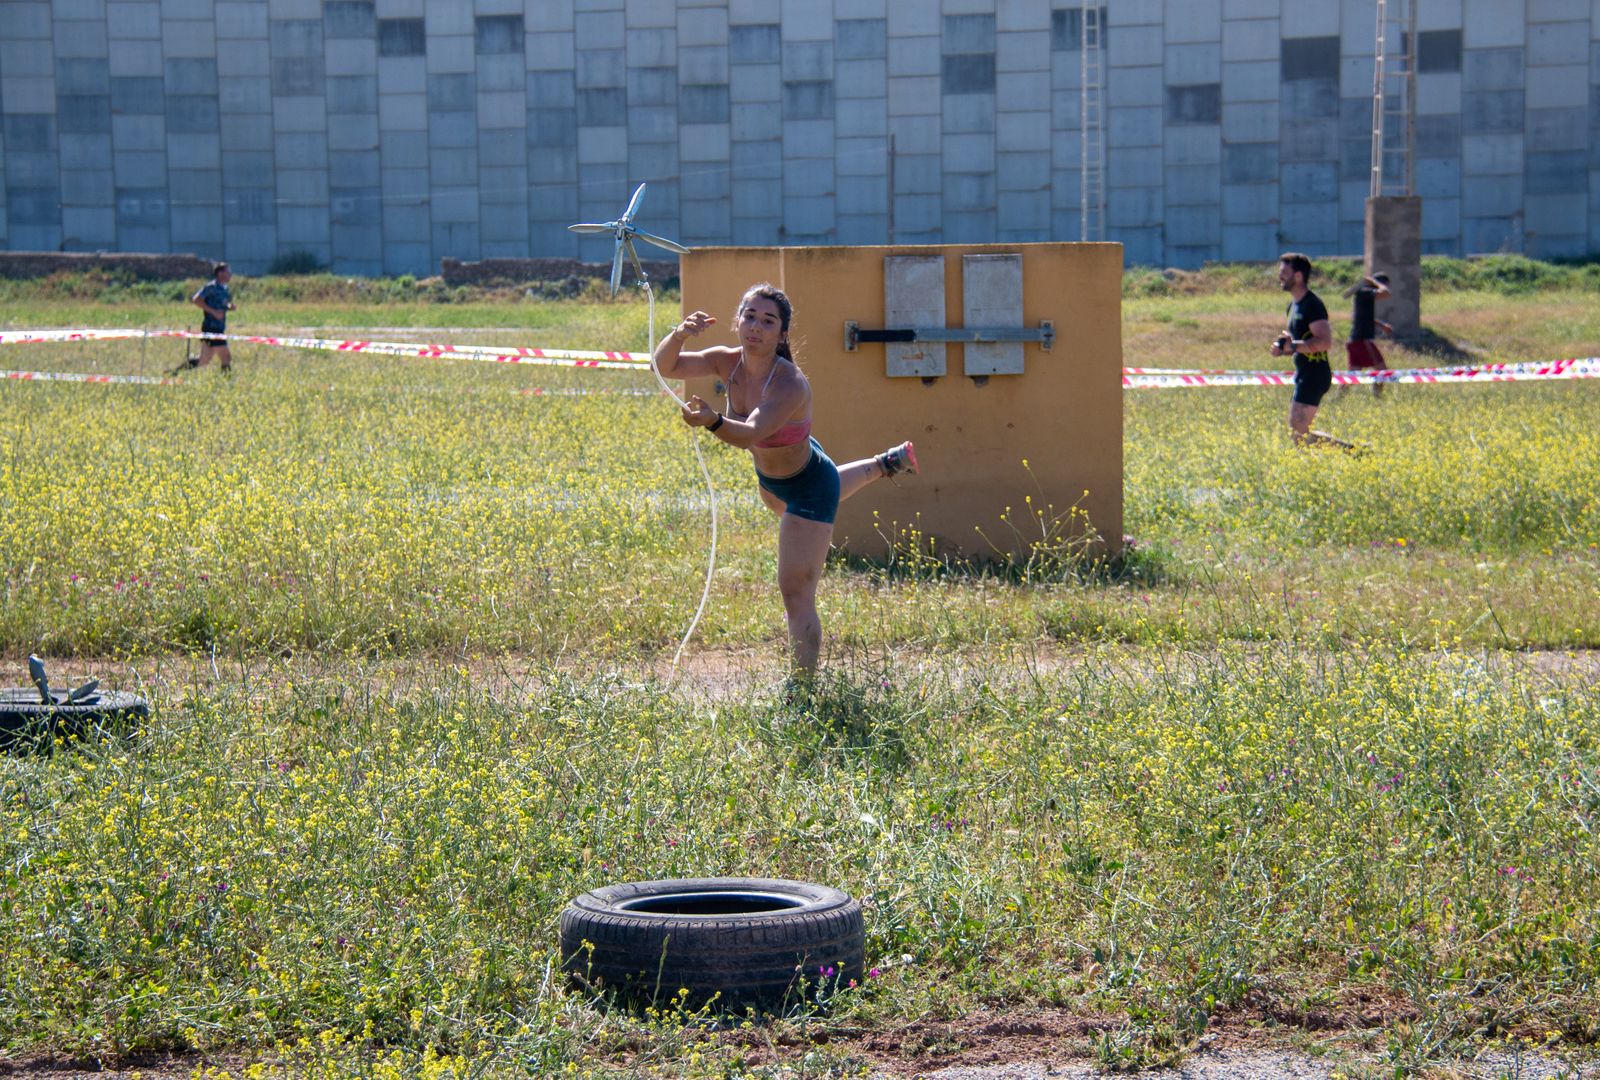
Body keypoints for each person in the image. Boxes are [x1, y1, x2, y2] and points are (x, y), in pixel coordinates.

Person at [654, 283, 919, 676]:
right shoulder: (727, 361)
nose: (756, 327)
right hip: (775, 484)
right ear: (737, 321)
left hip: (807, 486)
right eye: (749, 316)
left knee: (795, 593)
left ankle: (803, 691)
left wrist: (712, 420)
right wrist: (680, 334)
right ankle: (885, 463)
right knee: (828, 488)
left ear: (782, 333)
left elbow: (750, 435)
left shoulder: (789, 383)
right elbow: (665, 367)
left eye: (768, 320)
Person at [1269, 252, 1350, 448]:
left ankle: (1351, 452)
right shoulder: (1293, 306)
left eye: (1284, 272)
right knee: (1298, 432)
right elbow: (1295, 339)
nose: (1280, 276)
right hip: (1304, 373)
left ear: (1298, 276)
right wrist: (1283, 347)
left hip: (1315, 374)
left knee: (1298, 430)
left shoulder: (1312, 305)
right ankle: (1351, 451)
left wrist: (1294, 346)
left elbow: (1324, 341)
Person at [1342, 271, 1392, 398]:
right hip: (1362, 340)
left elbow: (1365, 317)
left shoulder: (1363, 295)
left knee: (1353, 374)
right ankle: (1377, 396)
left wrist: (1382, 326)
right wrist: (1376, 283)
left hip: (1354, 340)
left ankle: (1338, 398)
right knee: (1382, 370)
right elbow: (1386, 293)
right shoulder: (1365, 292)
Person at [187, 262, 236, 373]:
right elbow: (196, 299)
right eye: (228, 272)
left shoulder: (225, 289)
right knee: (226, 357)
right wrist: (213, 312)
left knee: (204, 361)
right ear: (220, 273)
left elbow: (223, 304)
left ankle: (175, 373)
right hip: (211, 327)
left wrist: (229, 307)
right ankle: (227, 384)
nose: (230, 275)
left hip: (220, 327)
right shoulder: (210, 287)